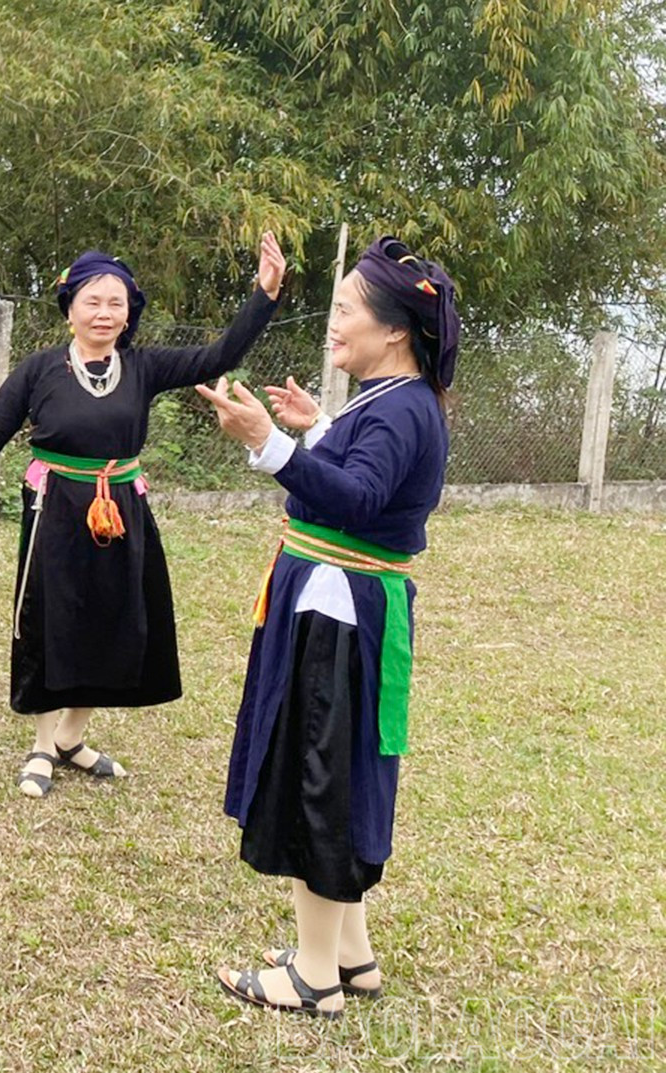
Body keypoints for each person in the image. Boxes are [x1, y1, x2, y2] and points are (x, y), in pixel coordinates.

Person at [0, 235, 285, 794]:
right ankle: (43, 746)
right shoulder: (40, 370)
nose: (104, 312)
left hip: (122, 509)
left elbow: (219, 357)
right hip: (56, 509)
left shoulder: (143, 366)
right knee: (54, 622)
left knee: (110, 621)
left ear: (129, 314)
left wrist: (264, 294)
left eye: (116, 302)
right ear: (69, 309)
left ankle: (72, 737)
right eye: (92, 301)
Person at [200, 238, 457, 1019]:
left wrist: (270, 443)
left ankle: (314, 978)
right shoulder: (392, 399)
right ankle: (351, 953)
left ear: (395, 330)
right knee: (336, 767)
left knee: (323, 776)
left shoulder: (403, 406)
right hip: (334, 602)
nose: (335, 322)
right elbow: (355, 478)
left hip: (339, 613)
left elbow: (355, 501)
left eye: (346, 309)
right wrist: (317, 430)